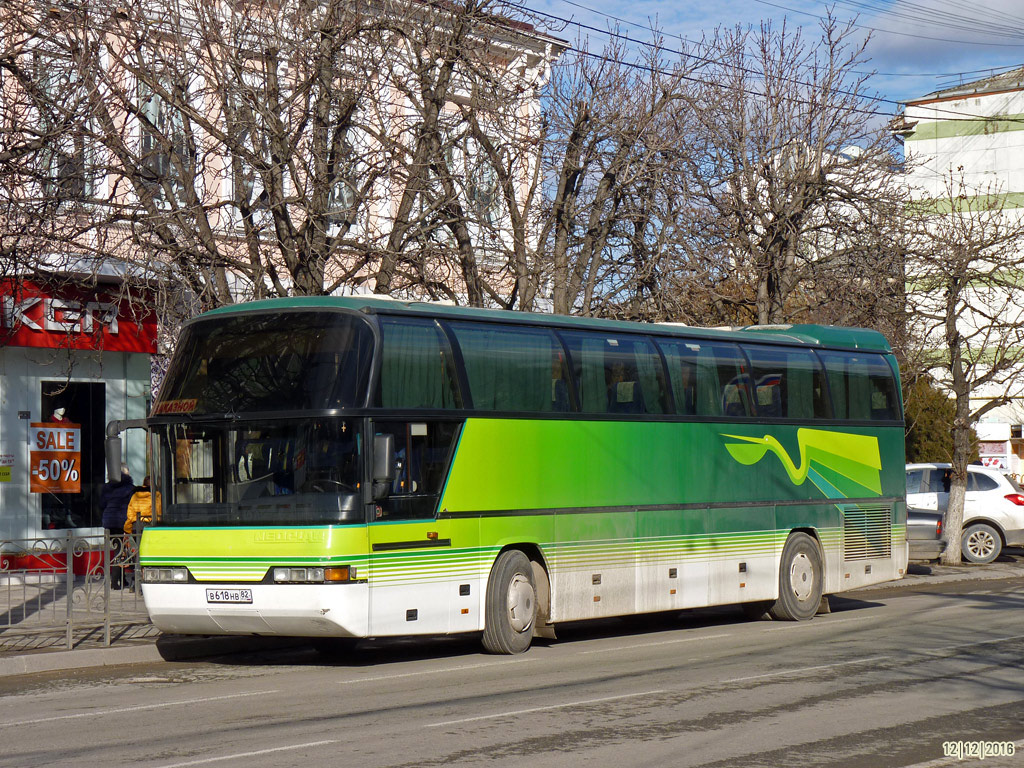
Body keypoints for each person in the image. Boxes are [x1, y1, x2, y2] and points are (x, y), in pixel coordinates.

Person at [100, 463, 134, 589]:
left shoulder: (107, 487)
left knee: (118, 549)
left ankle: (121, 579)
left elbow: (102, 504)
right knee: (121, 551)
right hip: (123, 521)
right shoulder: (130, 488)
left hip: (109, 520)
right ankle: (115, 581)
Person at [124, 476, 162, 592]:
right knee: (150, 555)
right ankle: (147, 582)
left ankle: (135, 583)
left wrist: (128, 529)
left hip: (137, 527)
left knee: (137, 556)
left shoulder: (135, 495)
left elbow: (130, 513)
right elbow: (159, 512)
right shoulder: (157, 495)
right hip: (150, 527)